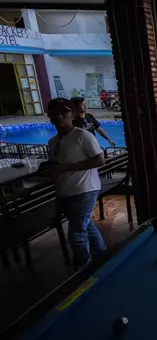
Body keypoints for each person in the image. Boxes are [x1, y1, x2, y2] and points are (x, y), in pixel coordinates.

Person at [46, 98, 106, 268]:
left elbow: (100, 160)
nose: (59, 116)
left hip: (85, 189)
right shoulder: (52, 142)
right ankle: (102, 254)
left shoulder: (83, 136)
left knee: (76, 234)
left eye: (63, 112)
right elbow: (55, 167)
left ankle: (83, 271)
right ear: (49, 116)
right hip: (65, 192)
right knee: (86, 226)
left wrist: (67, 168)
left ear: (71, 114)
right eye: (54, 113)